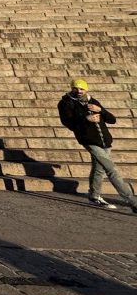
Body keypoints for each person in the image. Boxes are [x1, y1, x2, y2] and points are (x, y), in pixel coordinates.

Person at [58, 78, 137, 212]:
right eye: (76, 88)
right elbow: (68, 122)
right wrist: (85, 119)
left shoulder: (92, 101)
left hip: (105, 142)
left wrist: (101, 110)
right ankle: (132, 202)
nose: (79, 91)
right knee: (111, 169)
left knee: (99, 169)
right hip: (89, 141)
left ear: (86, 89)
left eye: (82, 88)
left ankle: (94, 196)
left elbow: (112, 120)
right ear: (71, 88)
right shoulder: (66, 103)